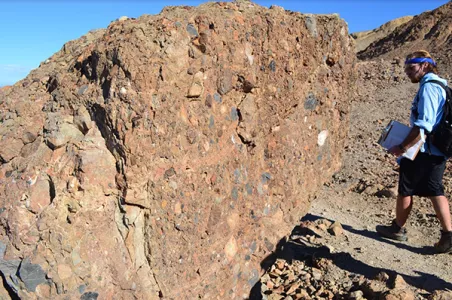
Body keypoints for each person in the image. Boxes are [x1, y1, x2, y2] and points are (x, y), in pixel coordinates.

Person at [376, 50, 452, 253]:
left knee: (405, 189)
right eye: (406, 69)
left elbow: (423, 126)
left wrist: (402, 147)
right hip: (438, 151)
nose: (407, 73)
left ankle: (397, 229)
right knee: (435, 190)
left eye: (411, 68)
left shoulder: (429, 88)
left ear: (425, 65)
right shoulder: (441, 85)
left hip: (423, 150)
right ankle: (448, 236)